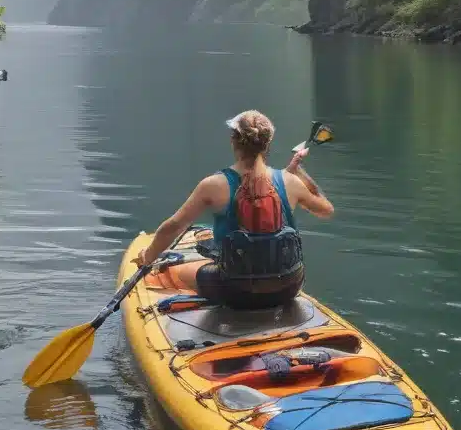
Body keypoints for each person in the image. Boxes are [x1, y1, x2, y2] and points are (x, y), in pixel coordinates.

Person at [134, 110, 334, 309]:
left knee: (170, 271)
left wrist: (148, 257)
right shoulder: (289, 181)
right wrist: (299, 172)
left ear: (233, 141)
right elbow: (326, 210)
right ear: (267, 144)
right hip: (288, 287)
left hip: (236, 291)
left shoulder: (213, 185)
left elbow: (174, 227)